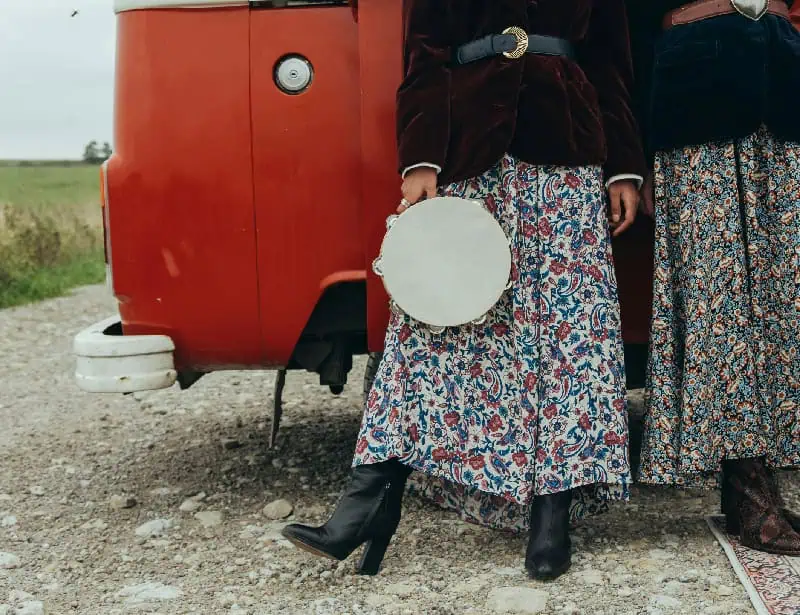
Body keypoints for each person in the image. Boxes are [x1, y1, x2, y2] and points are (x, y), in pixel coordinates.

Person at [282, 0, 646, 580]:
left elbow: (610, 62)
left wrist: (624, 165)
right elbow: (423, 53)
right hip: (468, 146)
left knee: (567, 329)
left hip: (568, 147)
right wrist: (420, 156)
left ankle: (552, 509)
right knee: (434, 322)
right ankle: (370, 498)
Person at [626, 0, 800, 555]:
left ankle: (758, 479)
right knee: (717, 299)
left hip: (783, 92)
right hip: (694, 101)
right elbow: (630, 31)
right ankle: (750, 491)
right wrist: (639, 153)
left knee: (781, 301)